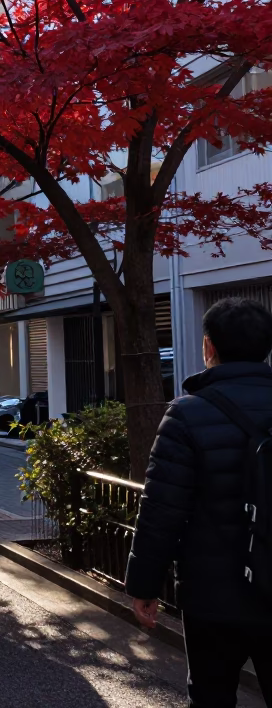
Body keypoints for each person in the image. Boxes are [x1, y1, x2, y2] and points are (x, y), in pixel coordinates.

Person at [125, 298, 272, 704]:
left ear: (209, 347)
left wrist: (144, 585)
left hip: (213, 594)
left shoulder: (188, 414)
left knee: (211, 695)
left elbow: (161, 510)